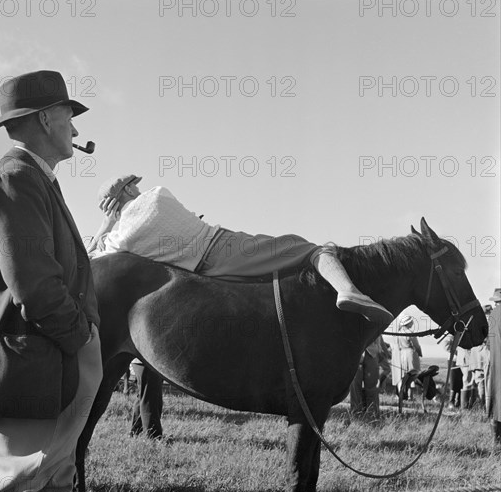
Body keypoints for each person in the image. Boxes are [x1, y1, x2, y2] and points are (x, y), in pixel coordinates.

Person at [0, 70, 102, 492]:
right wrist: (82, 338)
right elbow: (36, 287)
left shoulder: (31, 179)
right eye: (68, 117)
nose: (75, 130)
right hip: (30, 366)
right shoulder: (15, 180)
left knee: (51, 487)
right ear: (44, 119)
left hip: (47, 364)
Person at [88, 177, 394, 326]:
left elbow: (95, 258)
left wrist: (106, 225)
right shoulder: (157, 196)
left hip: (199, 275)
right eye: (133, 186)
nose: (140, 188)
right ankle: (349, 291)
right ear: (128, 191)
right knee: (309, 248)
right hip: (223, 246)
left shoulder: (122, 236)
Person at [349, 335, 389, 418]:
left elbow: (379, 334)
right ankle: (356, 414)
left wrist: (384, 353)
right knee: (355, 387)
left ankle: (373, 415)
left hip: (372, 354)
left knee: (372, 387)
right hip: (355, 353)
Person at [129, 359, 163, 439]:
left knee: (143, 396)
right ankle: (153, 436)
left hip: (143, 361)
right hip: (148, 361)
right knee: (150, 397)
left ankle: (136, 432)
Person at [391, 315, 422, 400]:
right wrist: (420, 353)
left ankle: (401, 395)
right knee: (412, 374)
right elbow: (417, 346)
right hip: (410, 353)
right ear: (408, 323)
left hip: (400, 354)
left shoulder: (397, 333)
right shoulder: (410, 332)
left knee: (402, 375)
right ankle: (409, 396)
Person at [487, 288, 501, 449]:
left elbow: (489, 343)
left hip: (496, 362)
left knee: (496, 398)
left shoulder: (492, 316)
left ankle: (495, 441)